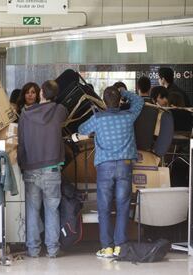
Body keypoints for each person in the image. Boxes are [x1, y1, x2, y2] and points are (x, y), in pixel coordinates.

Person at [78, 86, 143, 258]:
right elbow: (139, 101)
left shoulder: (98, 118)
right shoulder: (129, 116)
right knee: (123, 206)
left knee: (104, 208)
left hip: (105, 166)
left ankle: (107, 247)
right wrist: (124, 93)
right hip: (125, 164)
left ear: (104, 101)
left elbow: (81, 129)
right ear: (120, 100)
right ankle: (120, 246)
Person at [17, 80, 68, 258]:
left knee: (32, 209)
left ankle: (33, 249)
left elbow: (21, 143)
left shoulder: (25, 114)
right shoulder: (59, 110)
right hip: (52, 169)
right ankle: (53, 249)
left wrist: (23, 164)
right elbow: (64, 111)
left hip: (31, 168)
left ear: (41, 94)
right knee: (52, 209)